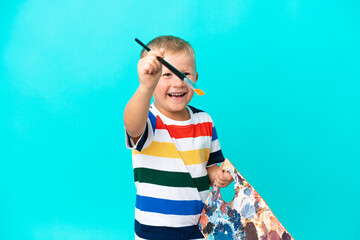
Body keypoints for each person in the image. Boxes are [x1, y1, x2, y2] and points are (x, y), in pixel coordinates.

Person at [124, 35, 233, 239]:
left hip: (199, 225)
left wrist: (218, 176)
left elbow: (211, 166)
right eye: (165, 75)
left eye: (185, 74)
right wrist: (145, 86)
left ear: (196, 78)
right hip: (154, 228)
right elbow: (132, 124)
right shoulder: (149, 118)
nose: (178, 82)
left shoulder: (205, 121)